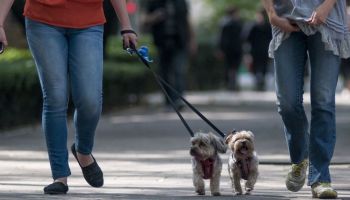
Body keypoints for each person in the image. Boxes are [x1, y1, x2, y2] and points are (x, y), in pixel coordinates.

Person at [0, 0, 137, 195]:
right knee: (55, 97)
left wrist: (126, 25)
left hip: (88, 21)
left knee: (90, 100)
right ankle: (60, 176)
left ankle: (83, 151)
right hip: (42, 20)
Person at [262, 0, 350, 198]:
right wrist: (271, 13)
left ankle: (320, 178)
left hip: (326, 19)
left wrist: (326, 7)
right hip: (286, 19)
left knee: (323, 102)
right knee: (287, 103)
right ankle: (300, 158)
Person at [142, 0, 196, 110]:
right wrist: (154, 17)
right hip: (162, 42)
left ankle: (179, 100)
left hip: (180, 42)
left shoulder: (181, 2)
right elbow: (144, 20)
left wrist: (192, 40)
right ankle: (168, 101)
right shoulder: (154, 2)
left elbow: (188, 20)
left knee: (179, 71)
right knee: (164, 73)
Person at [217, 6, 244, 91]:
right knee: (233, 67)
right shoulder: (236, 23)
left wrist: (220, 49)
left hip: (229, 49)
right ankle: (232, 84)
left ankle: (231, 83)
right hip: (235, 49)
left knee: (230, 67)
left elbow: (220, 38)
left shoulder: (224, 23)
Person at [247, 9, 272, 91]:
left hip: (258, 49)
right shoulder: (267, 26)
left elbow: (247, 38)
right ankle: (260, 79)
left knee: (260, 65)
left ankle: (259, 79)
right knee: (261, 65)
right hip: (262, 49)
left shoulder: (254, 26)